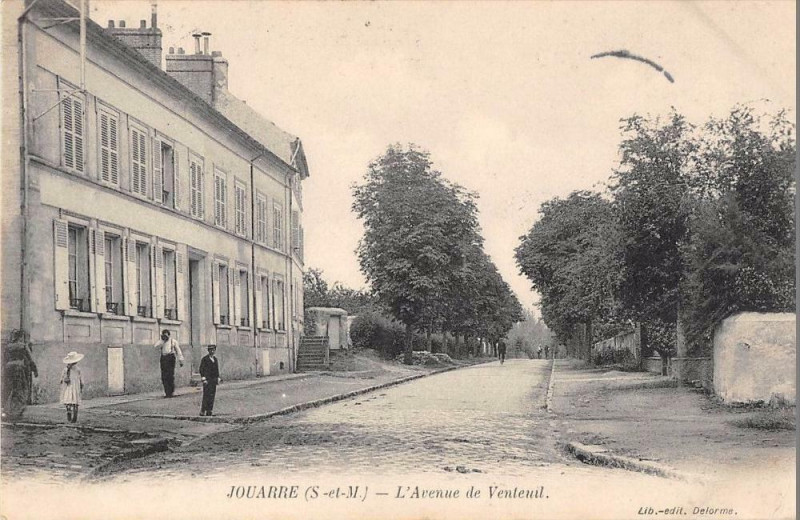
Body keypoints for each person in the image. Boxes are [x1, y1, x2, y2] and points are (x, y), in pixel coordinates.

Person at [154, 330, 183, 397]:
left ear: (169, 335)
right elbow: (155, 346)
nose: (165, 337)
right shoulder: (162, 341)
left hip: (171, 358)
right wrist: (162, 341)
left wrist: (181, 359)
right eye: (164, 335)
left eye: (166, 335)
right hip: (163, 358)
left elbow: (178, 350)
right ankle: (167, 392)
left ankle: (171, 391)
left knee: (170, 375)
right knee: (164, 376)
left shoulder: (173, 341)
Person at [60, 351, 84, 423]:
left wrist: (62, 382)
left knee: (68, 399)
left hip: (68, 386)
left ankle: (68, 412)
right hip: (75, 387)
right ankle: (75, 416)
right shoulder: (78, 369)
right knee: (75, 401)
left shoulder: (66, 369)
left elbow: (61, 379)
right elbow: (81, 379)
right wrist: (81, 385)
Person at [199, 345, 221, 416]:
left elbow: (217, 370)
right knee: (206, 395)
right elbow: (201, 369)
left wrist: (218, 378)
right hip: (207, 380)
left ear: (215, 350)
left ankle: (209, 410)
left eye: (213, 350)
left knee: (212, 395)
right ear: (208, 350)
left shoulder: (215, 359)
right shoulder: (205, 359)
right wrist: (203, 378)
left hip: (213, 380)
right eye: (210, 350)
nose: (212, 351)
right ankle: (203, 410)